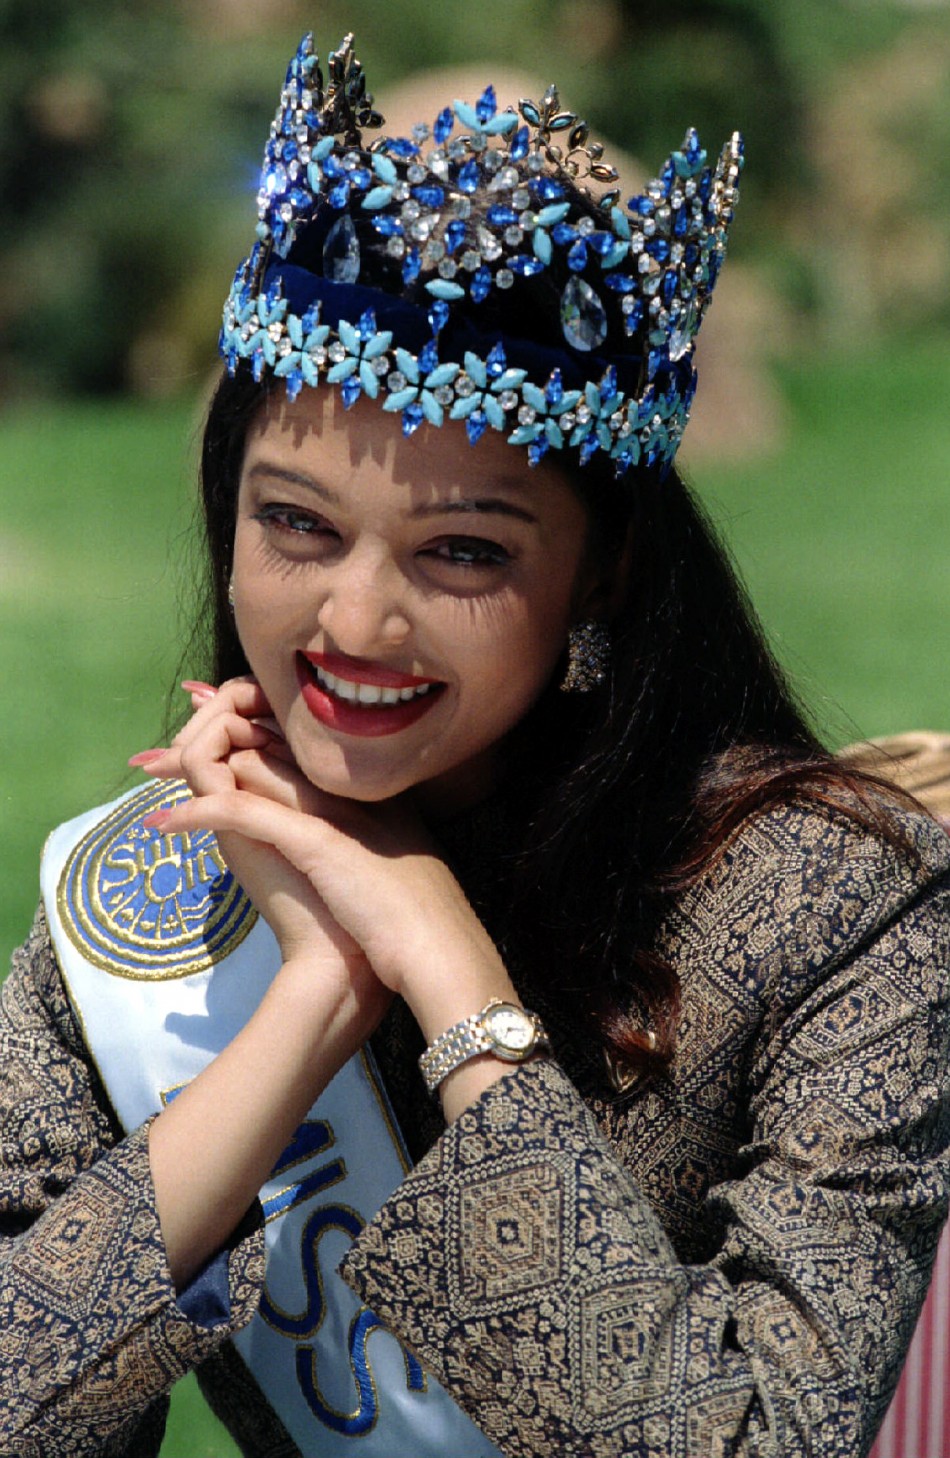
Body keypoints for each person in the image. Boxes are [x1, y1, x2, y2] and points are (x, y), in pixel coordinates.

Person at [2, 29, 948, 1458]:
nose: (355, 622)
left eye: (458, 550)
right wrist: (310, 997)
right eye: (296, 524)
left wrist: (448, 978)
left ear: (605, 571)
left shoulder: (834, 903)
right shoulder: (151, 899)